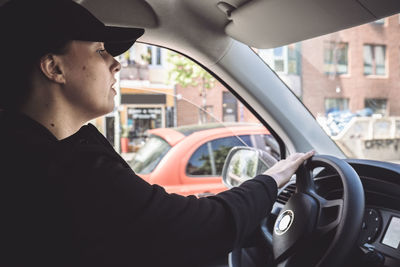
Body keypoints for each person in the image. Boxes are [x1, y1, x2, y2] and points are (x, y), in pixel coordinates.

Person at [0, 0, 314, 266]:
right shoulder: (67, 172)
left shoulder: (33, 154)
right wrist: (272, 179)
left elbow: (154, 214)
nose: (115, 63)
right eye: (99, 51)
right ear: (54, 68)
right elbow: (204, 230)